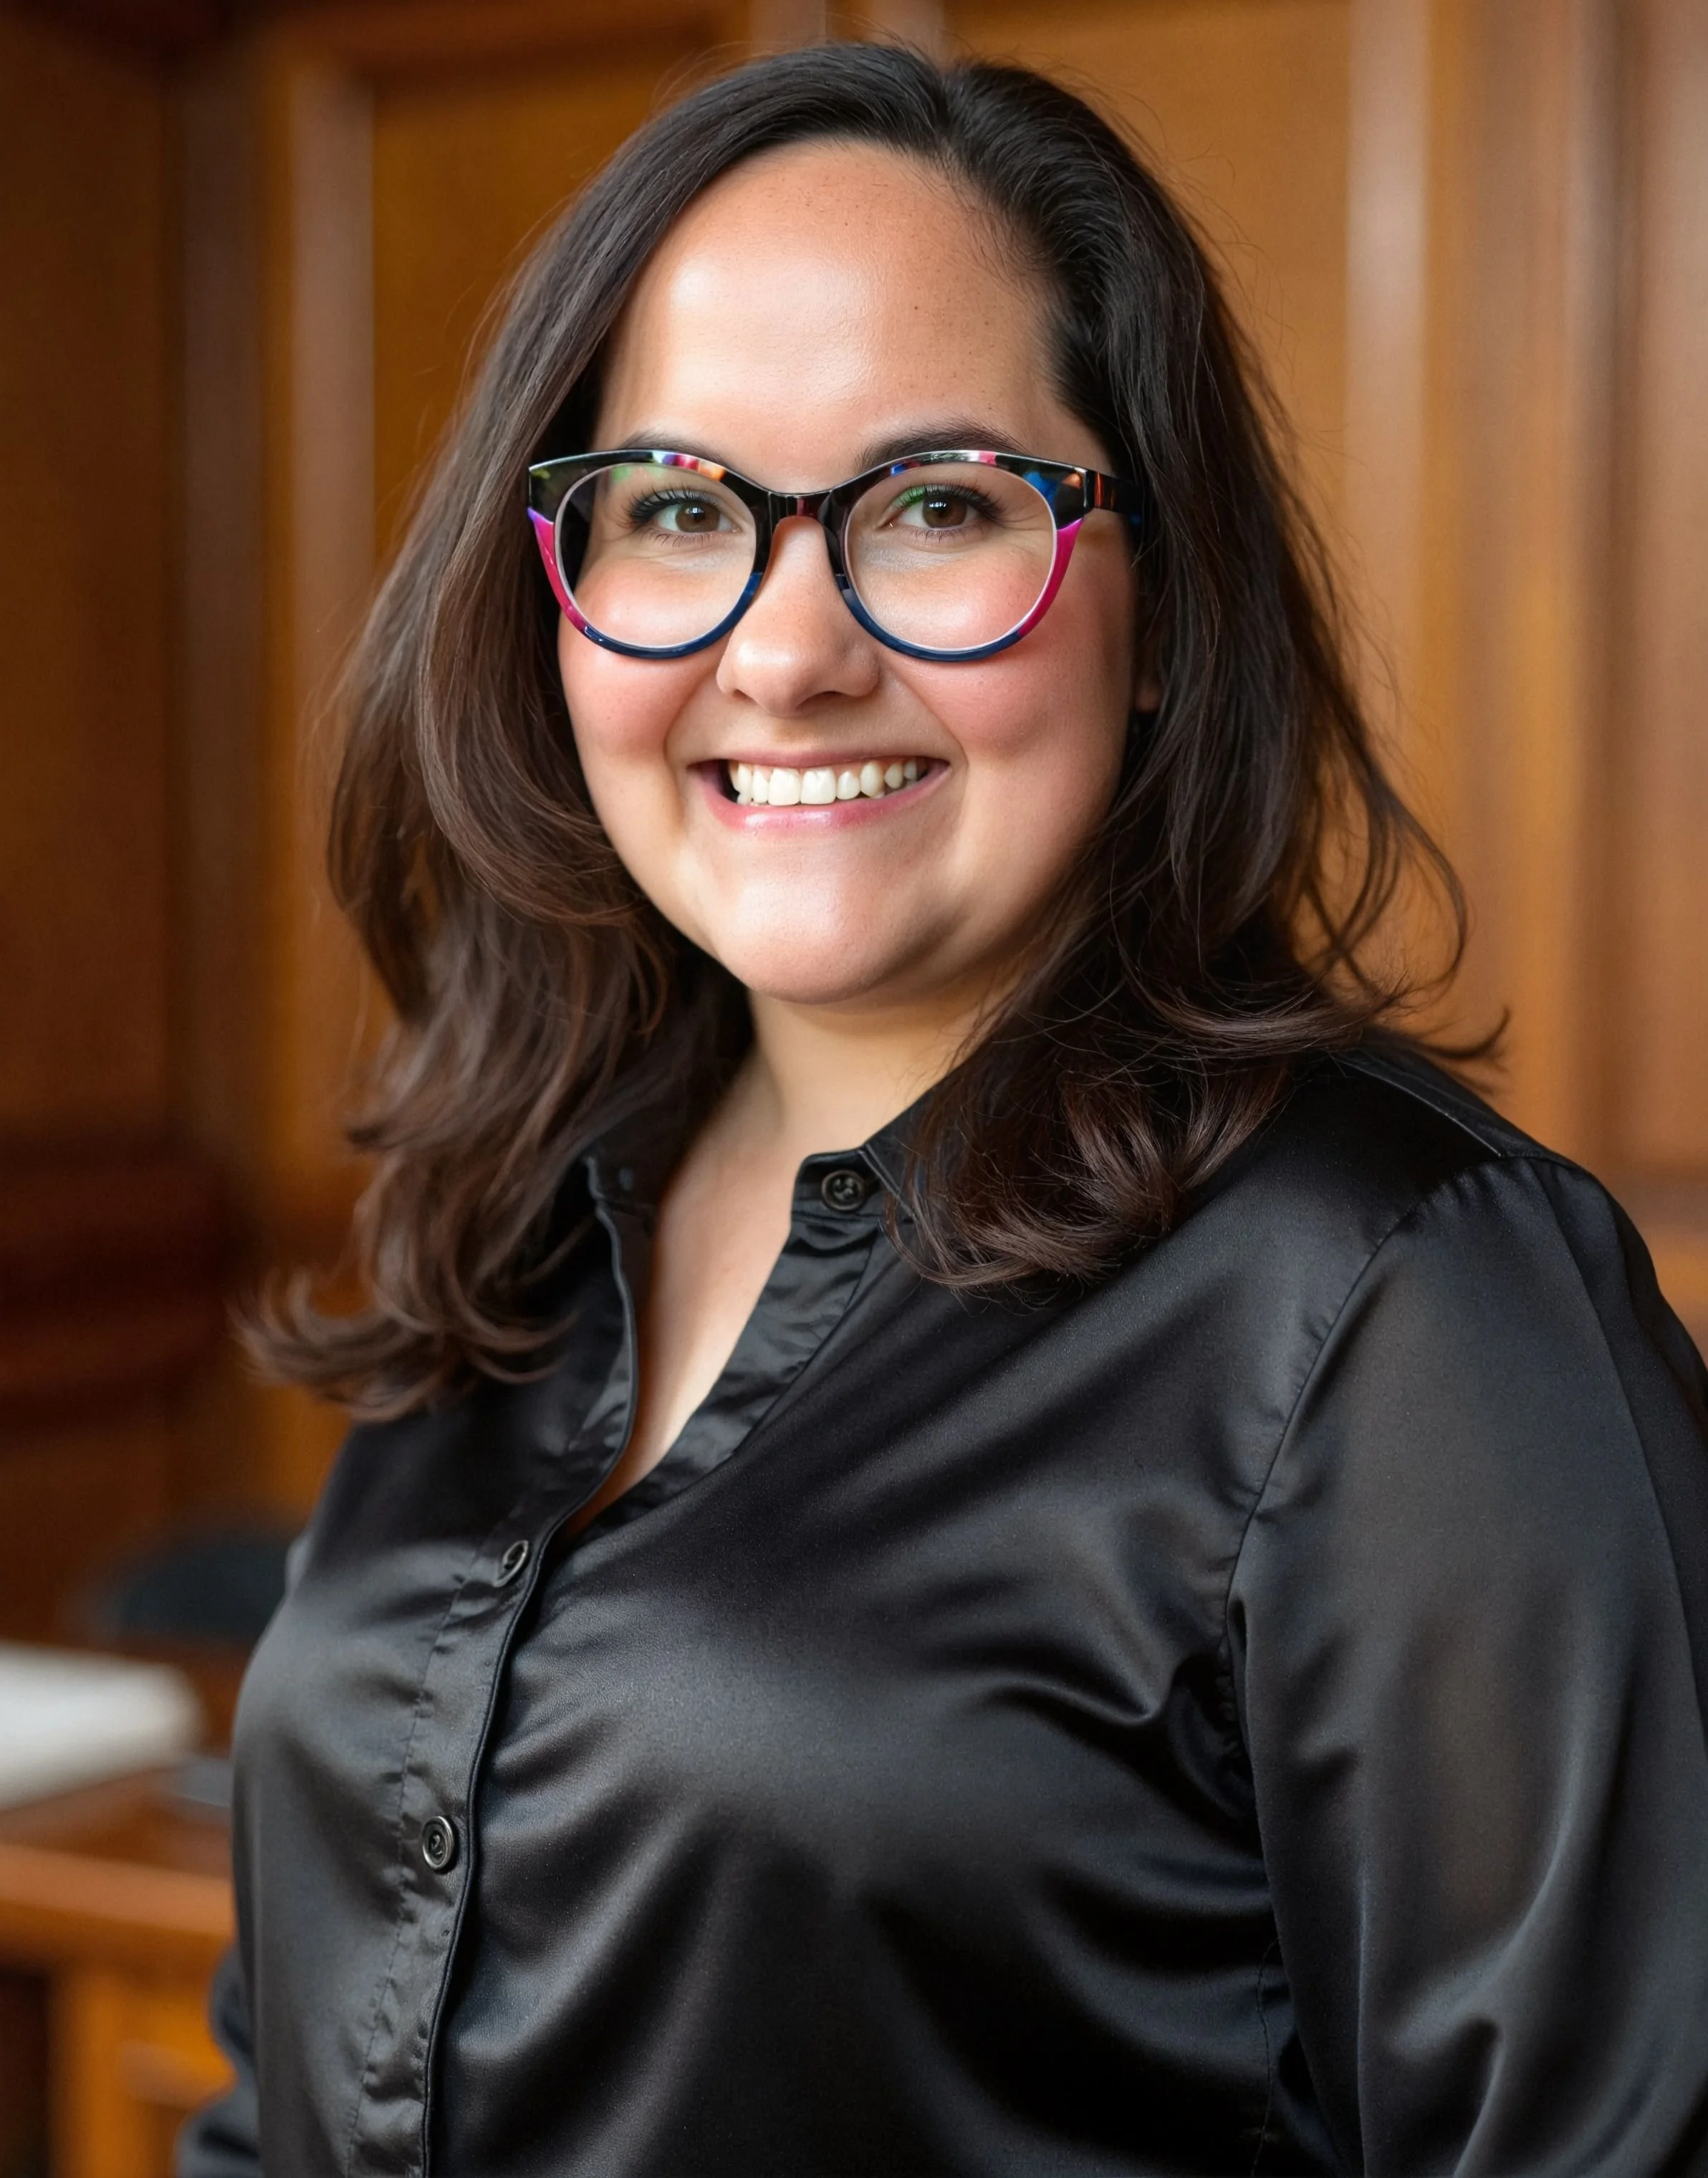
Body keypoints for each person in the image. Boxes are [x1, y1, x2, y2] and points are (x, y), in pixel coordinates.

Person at [181, 42, 1708, 2178]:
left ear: (1158, 604)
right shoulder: (519, 1209)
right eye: (682, 510)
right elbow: (289, 2092)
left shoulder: (1412, 1308)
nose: (786, 652)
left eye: (940, 507)